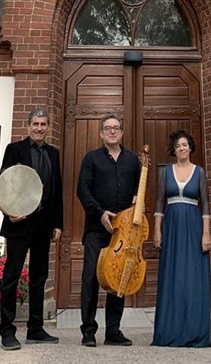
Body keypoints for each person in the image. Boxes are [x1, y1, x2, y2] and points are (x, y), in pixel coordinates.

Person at [0, 108, 64, 351]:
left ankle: (35, 328)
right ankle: (7, 331)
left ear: (48, 127)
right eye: (35, 123)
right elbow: (3, 184)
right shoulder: (14, 149)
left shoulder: (53, 154)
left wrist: (58, 223)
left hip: (43, 223)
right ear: (28, 126)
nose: (39, 128)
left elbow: (57, 191)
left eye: (43, 124)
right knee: (12, 275)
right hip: (18, 222)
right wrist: (9, 212)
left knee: (39, 277)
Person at [77, 113, 140, 348]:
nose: (112, 131)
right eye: (107, 128)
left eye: (116, 128)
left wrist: (136, 199)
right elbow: (82, 189)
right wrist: (100, 212)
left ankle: (113, 330)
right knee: (91, 277)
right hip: (97, 227)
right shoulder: (91, 159)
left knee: (118, 278)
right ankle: (88, 331)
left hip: (123, 232)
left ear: (121, 133)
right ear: (101, 133)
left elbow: (138, 189)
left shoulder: (133, 159)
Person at [152, 129, 211, 347]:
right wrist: (157, 230)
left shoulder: (199, 172)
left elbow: (205, 204)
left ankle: (194, 330)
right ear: (174, 149)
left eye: (185, 145)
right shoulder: (166, 172)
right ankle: (170, 329)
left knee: (192, 277)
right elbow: (159, 203)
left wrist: (206, 233)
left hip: (193, 227)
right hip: (171, 227)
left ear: (190, 148)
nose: (181, 148)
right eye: (178, 145)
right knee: (173, 276)